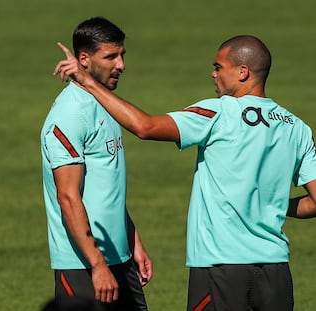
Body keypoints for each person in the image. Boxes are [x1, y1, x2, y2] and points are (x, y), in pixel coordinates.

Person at [53, 35, 316, 310]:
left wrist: (89, 83)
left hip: (220, 268)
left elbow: (146, 127)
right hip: (277, 271)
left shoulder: (219, 113)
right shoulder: (297, 128)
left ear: (242, 72)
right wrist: (271, 205)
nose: (212, 74)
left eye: (218, 66)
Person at [41, 17, 152, 311]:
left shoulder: (104, 105)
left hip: (119, 257)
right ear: (84, 60)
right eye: (111, 57)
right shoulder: (70, 114)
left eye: (122, 55)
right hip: (84, 265)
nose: (121, 65)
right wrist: (98, 265)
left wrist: (133, 241)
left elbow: (106, 188)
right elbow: (67, 196)